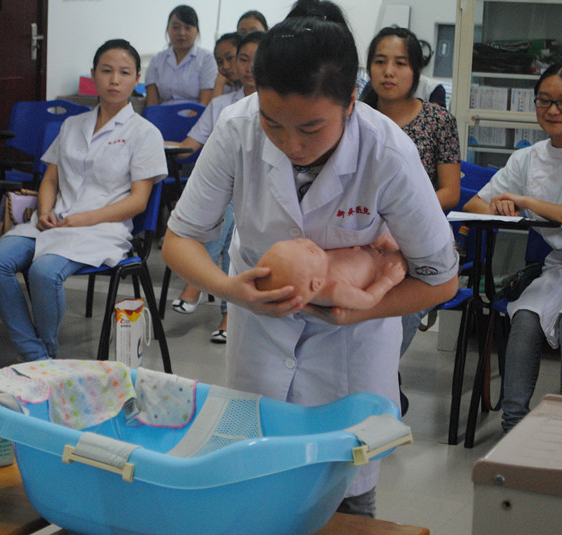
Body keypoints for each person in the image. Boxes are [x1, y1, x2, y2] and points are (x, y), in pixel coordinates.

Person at [162, 2, 458, 518]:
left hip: (351, 351)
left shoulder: (387, 152)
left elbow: (441, 281)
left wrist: (357, 311)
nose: (291, 144)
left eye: (311, 128)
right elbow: (180, 240)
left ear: (349, 101)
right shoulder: (236, 129)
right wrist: (234, 292)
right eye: (274, 124)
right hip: (258, 337)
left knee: (343, 498)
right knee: (254, 494)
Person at [463, 62, 562, 433]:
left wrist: (525, 201)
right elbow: (475, 206)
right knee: (525, 317)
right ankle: (513, 425)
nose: (553, 111)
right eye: (545, 101)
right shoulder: (527, 157)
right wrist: (500, 204)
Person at [0, 39, 166, 362]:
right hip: (53, 222)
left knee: (43, 272)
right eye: (106, 71)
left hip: (101, 230)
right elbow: (50, 179)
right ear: (93, 74)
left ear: (137, 79)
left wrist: (86, 218)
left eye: (124, 73)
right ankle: (37, 356)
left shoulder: (144, 132)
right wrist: (43, 211)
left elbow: (139, 201)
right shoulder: (71, 125)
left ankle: (45, 354)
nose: (114, 80)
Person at [362, 26, 461, 404]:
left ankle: (383, 381)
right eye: (380, 62)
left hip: (417, 239)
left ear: (416, 70)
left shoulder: (437, 120)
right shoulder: (357, 116)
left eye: (400, 63)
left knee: (396, 308)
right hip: (362, 236)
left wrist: (401, 218)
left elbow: (451, 191)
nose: (389, 72)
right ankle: (375, 387)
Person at [171, 31, 264, 344]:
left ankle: (197, 285)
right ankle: (227, 312)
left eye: (256, 59)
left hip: (255, 195)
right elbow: (191, 144)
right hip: (224, 189)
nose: (248, 66)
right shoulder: (222, 105)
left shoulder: (278, 105)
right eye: (242, 59)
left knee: (230, 214)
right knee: (223, 209)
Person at [255, 236, 407, 310]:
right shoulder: (335, 291)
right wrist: (388, 280)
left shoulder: (316, 267)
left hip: (375, 248)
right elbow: (368, 299)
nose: (306, 241)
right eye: (311, 251)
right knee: (407, 258)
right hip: (384, 270)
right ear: (317, 283)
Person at [144, 5, 217, 107]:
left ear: (197, 31)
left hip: (196, 117)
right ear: (167, 29)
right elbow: (152, 103)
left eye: (188, 28)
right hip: (162, 116)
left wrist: (188, 121)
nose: (182, 33)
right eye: (176, 27)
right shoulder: (157, 60)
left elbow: (205, 102)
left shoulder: (206, 58)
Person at [211, 32, 243, 99]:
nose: (225, 67)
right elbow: (214, 109)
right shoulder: (225, 87)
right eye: (219, 62)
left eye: (230, 58)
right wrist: (219, 87)